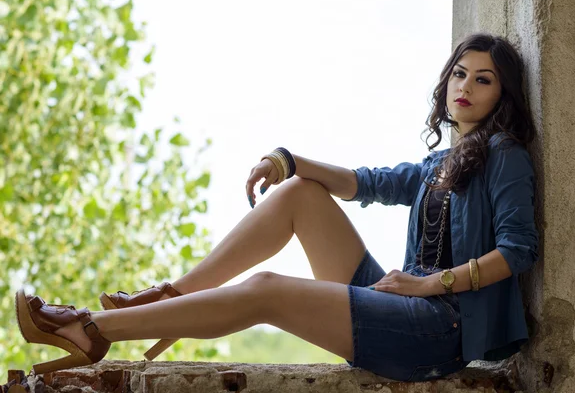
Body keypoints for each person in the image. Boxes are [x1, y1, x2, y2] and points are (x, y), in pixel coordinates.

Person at [15, 33, 539, 382]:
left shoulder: (506, 156)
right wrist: (285, 159)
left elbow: (518, 250)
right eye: (459, 74)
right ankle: (175, 297)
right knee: (298, 191)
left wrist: (429, 284)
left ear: (502, 94)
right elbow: (365, 182)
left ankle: (91, 331)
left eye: (483, 79)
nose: (465, 87)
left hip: (438, 330)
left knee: (267, 289)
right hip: (399, 303)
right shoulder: (438, 164)